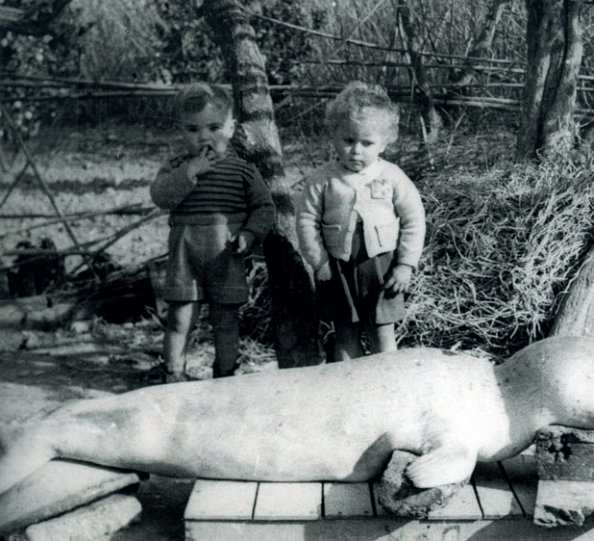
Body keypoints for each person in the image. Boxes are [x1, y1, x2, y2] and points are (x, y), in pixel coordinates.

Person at [150, 83, 275, 382]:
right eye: (192, 129)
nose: (203, 137)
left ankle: (225, 376)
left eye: (214, 127)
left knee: (226, 320)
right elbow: (160, 196)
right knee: (180, 318)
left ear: (232, 128)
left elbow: (264, 208)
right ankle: (174, 373)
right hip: (185, 255)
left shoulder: (242, 169)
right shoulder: (177, 166)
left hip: (225, 254)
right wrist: (189, 172)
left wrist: (248, 235)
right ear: (180, 130)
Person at [296, 81, 426, 362]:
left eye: (367, 143)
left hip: (381, 265)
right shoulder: (323, 179)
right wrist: (319, 261)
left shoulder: (392, 176)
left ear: (385, 141)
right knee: (345, 330)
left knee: (382, 329)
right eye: (348, 140)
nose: (356, 150)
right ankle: (349, 387)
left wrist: (405, 264)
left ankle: (386, 383)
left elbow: (414, 219)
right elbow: (306, 220)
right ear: (334, 135)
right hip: (338, 267)